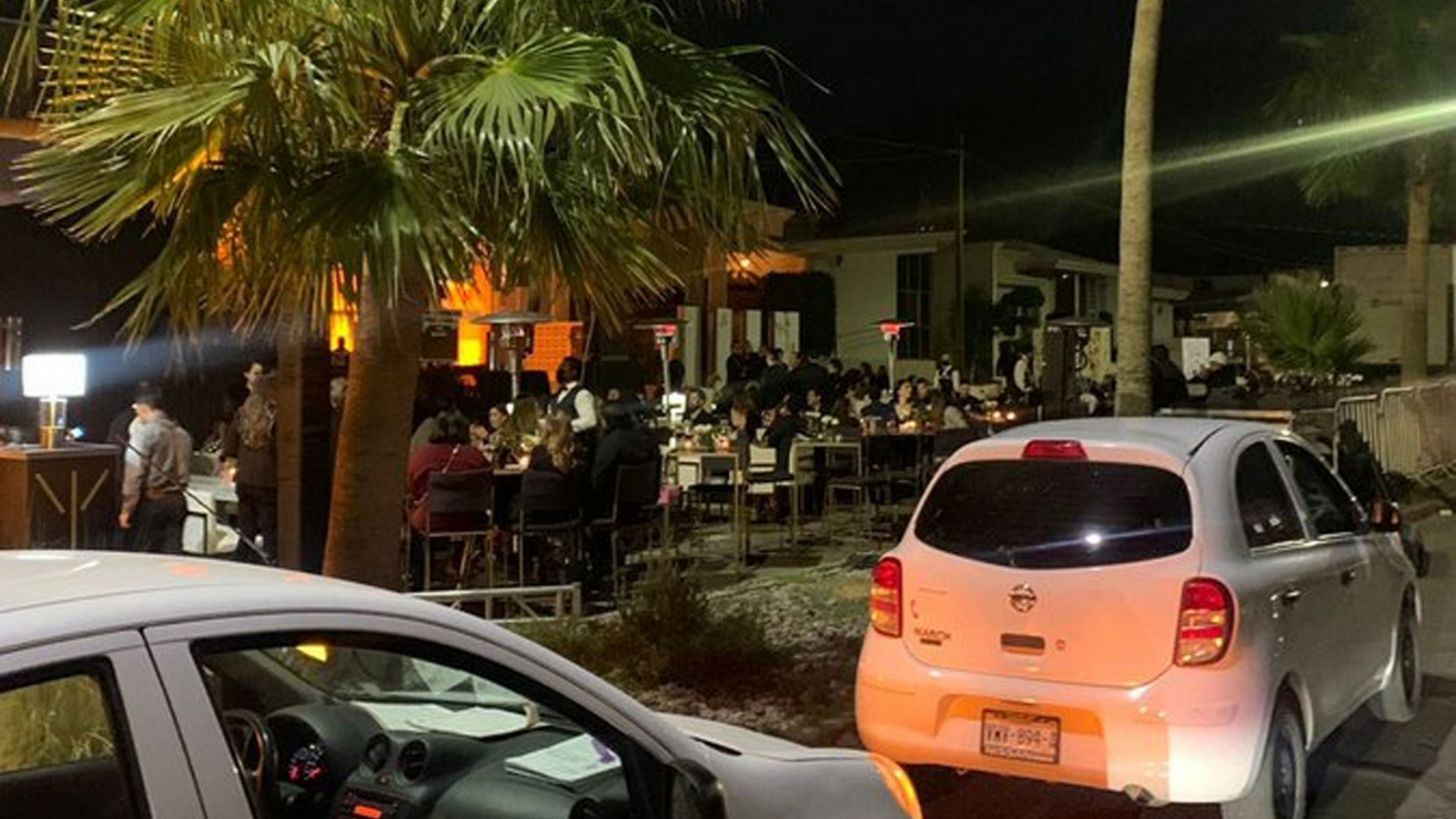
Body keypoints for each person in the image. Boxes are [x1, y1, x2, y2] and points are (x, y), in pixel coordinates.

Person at [120, 385, 193, 554]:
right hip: (178, 501)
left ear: (143, 408)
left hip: (153, 503)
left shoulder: (143, 434)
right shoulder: (184, 435)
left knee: (146, 556)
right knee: (173, 555)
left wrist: (127, 509)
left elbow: (134, 474)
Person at [223, 369, 279, 562]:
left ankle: (241, 559)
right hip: (268, 479)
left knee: (246, 526)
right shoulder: (275, 415)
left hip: (244, 478)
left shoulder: (242, 414)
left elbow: (229, 447)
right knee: (269, 525)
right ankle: (270, 559)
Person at [407, 411, 489, 533]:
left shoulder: (421, 457)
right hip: (471, 519)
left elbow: (412, 488)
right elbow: (487, 484)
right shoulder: (475, 456)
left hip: (430, 520)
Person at [552, 357, 599, 436]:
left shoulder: (582, 394)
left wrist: (567, 425)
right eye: (560, 366)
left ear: (574, 372)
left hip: (575, 439)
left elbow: (590, 420)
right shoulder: (557, 394)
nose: (560, 370)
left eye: (564, 367)